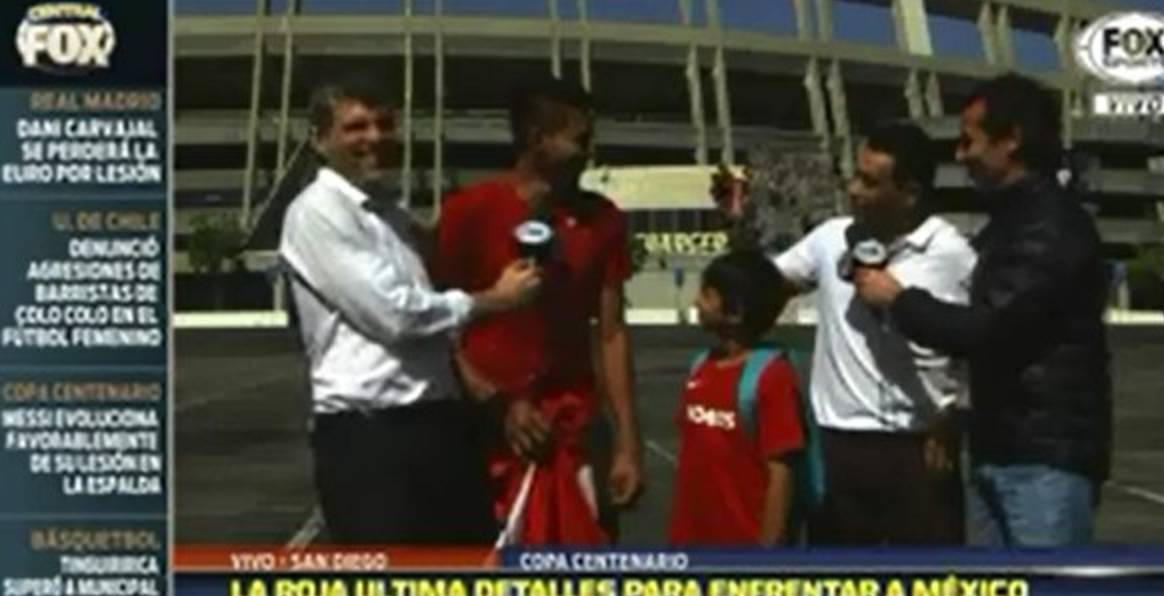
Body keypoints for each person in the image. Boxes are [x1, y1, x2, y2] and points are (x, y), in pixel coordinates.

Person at [278, 76, 541, 544]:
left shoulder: (391, 217)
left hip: (436, 428)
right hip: (373, 439)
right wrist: (494, 299)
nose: (374, 138)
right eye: (355, 127)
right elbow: (395, 317)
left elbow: (435, 311)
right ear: (320, 141)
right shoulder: (316, 211)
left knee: (465, 578)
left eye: (383, 124)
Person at [854, 73, 1112, 547]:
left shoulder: (1050, 227)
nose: (960, 154)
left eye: (969, 140)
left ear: (1010, 140)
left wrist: (899, 300)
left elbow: (991, 328)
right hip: (1001, 447)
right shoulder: (1010, 223)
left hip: (1043, 458)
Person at [713, 122, 976, 545]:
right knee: (837, 586)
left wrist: (952, 421)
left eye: (869, 182)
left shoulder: (952, 256)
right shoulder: (832, 237)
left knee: (928, 591)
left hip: (917, 449)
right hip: (835, 446)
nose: (853, 189)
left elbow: (973, 347)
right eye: (855, 175)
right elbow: (762, 284)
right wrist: (738, 224)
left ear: (909, 192)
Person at [433, 76, 643, 545]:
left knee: (583, 589)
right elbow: (436, 323)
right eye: (580, 139)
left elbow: (611, 333)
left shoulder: (603, 220)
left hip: (571, 429)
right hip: (481, 434)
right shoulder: (470, 211)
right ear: (537, 140)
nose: (590, 152)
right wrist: (495, 401)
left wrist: (627, 442)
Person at [668, 251, 804, 547]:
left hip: (743, 545)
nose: (696, 303)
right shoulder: (700, 367)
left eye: (707, 295)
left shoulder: (772, 377)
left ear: (735, 311)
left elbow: (780, 474)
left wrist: (766, 556)